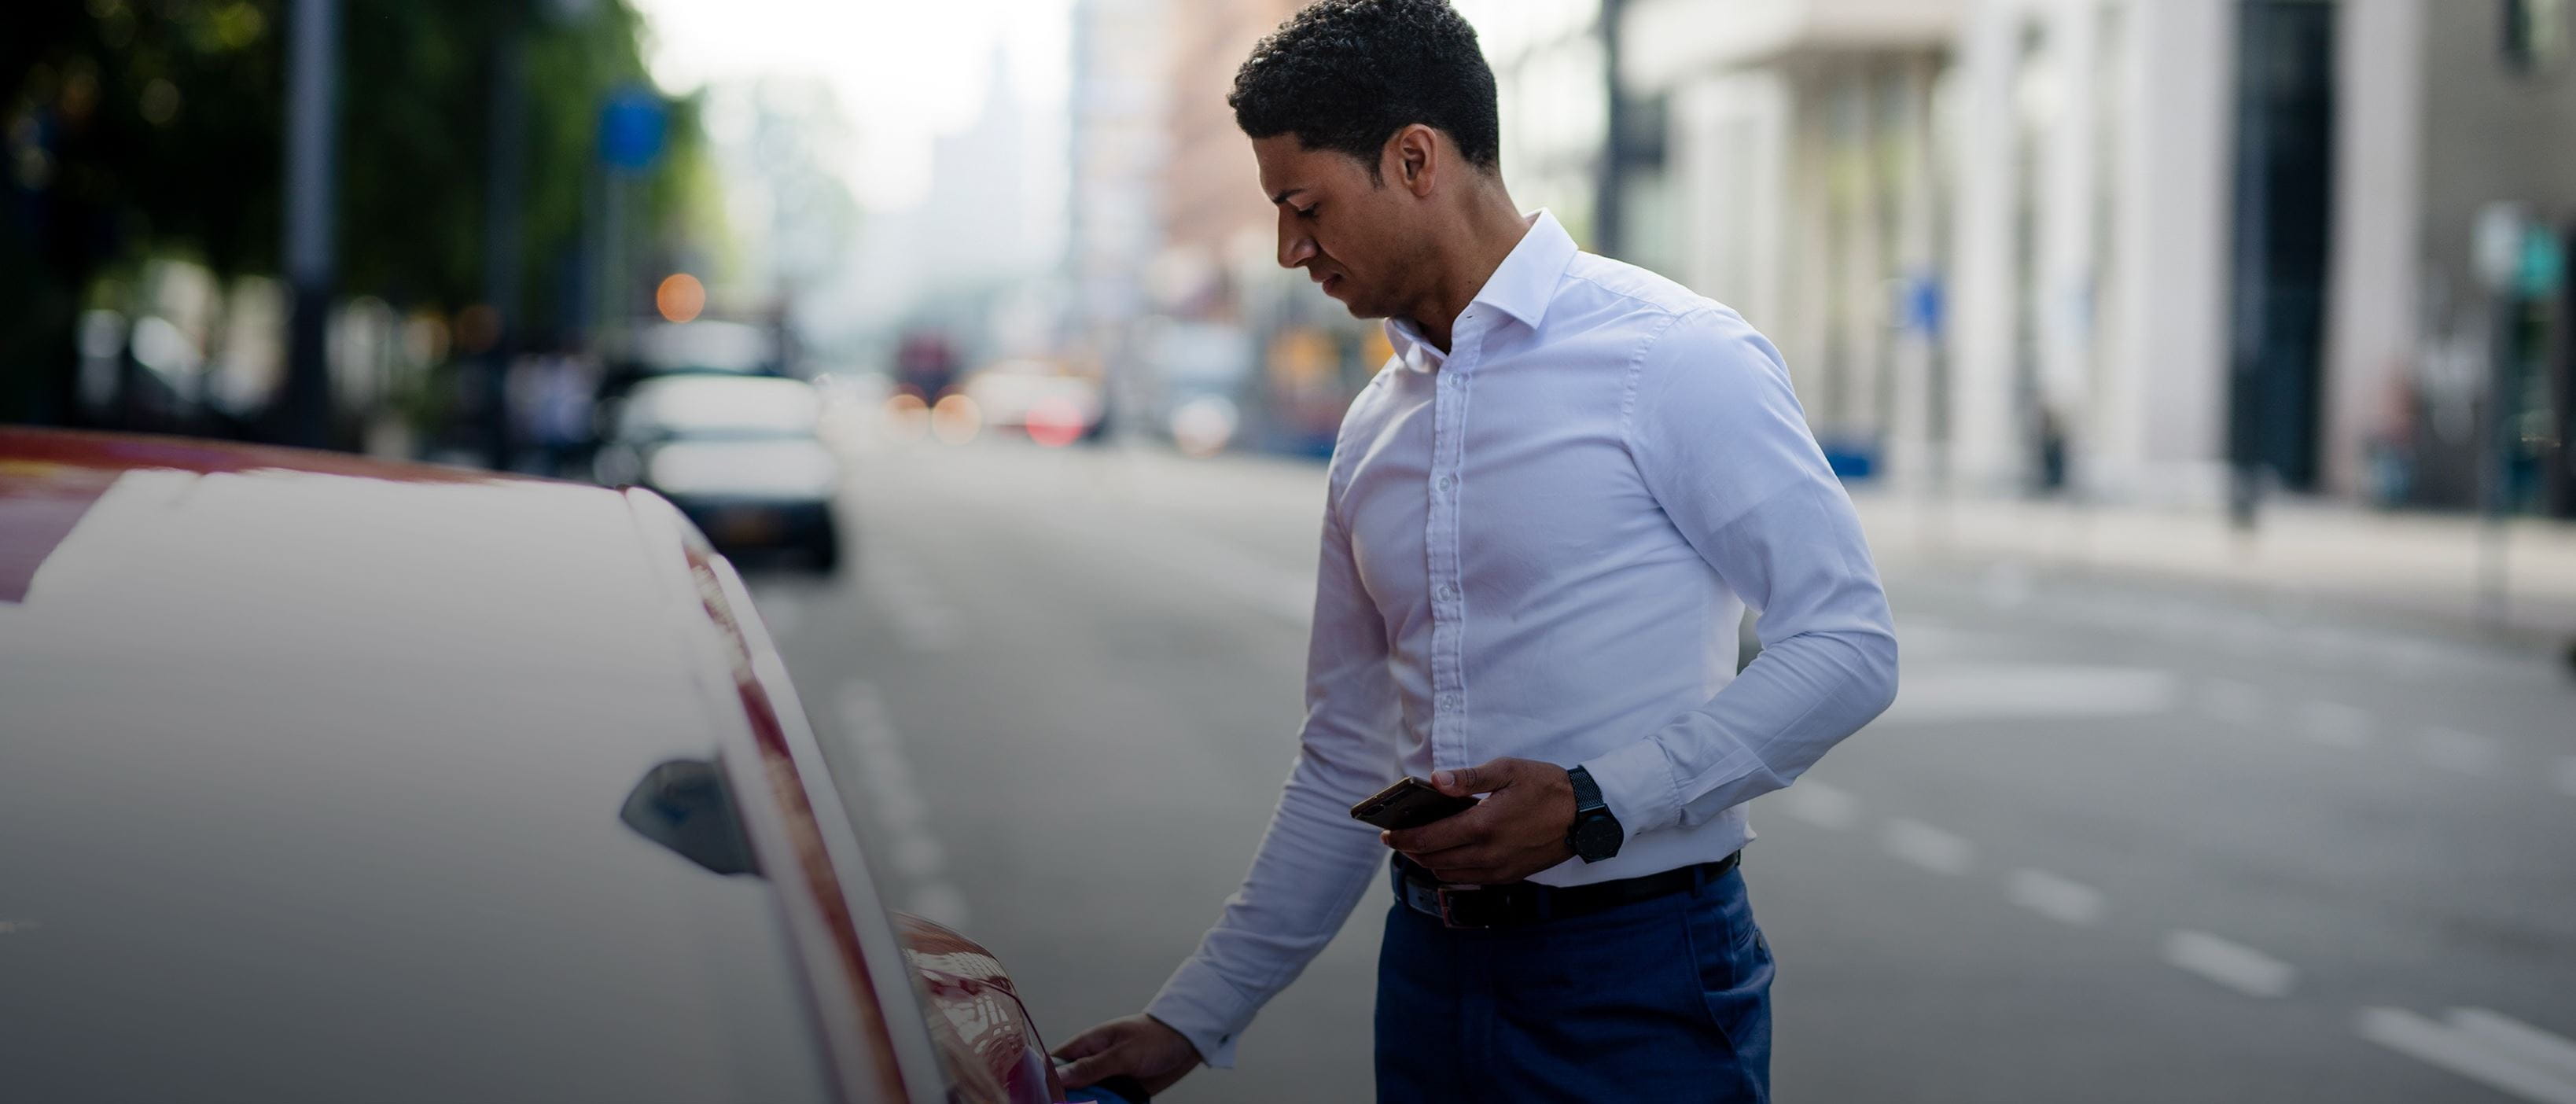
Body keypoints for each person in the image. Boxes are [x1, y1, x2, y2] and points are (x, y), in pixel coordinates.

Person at [1052, 2, 1898, 1099]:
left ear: (1415, 159)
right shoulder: (1371, 432)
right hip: (1430, 977)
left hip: (1640, 977)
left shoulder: (1676, 358)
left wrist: (1599, 801)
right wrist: (1191, 1020)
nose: (1288, 248)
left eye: (1305, 206)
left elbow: (1847, 643)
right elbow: (1346, 758)